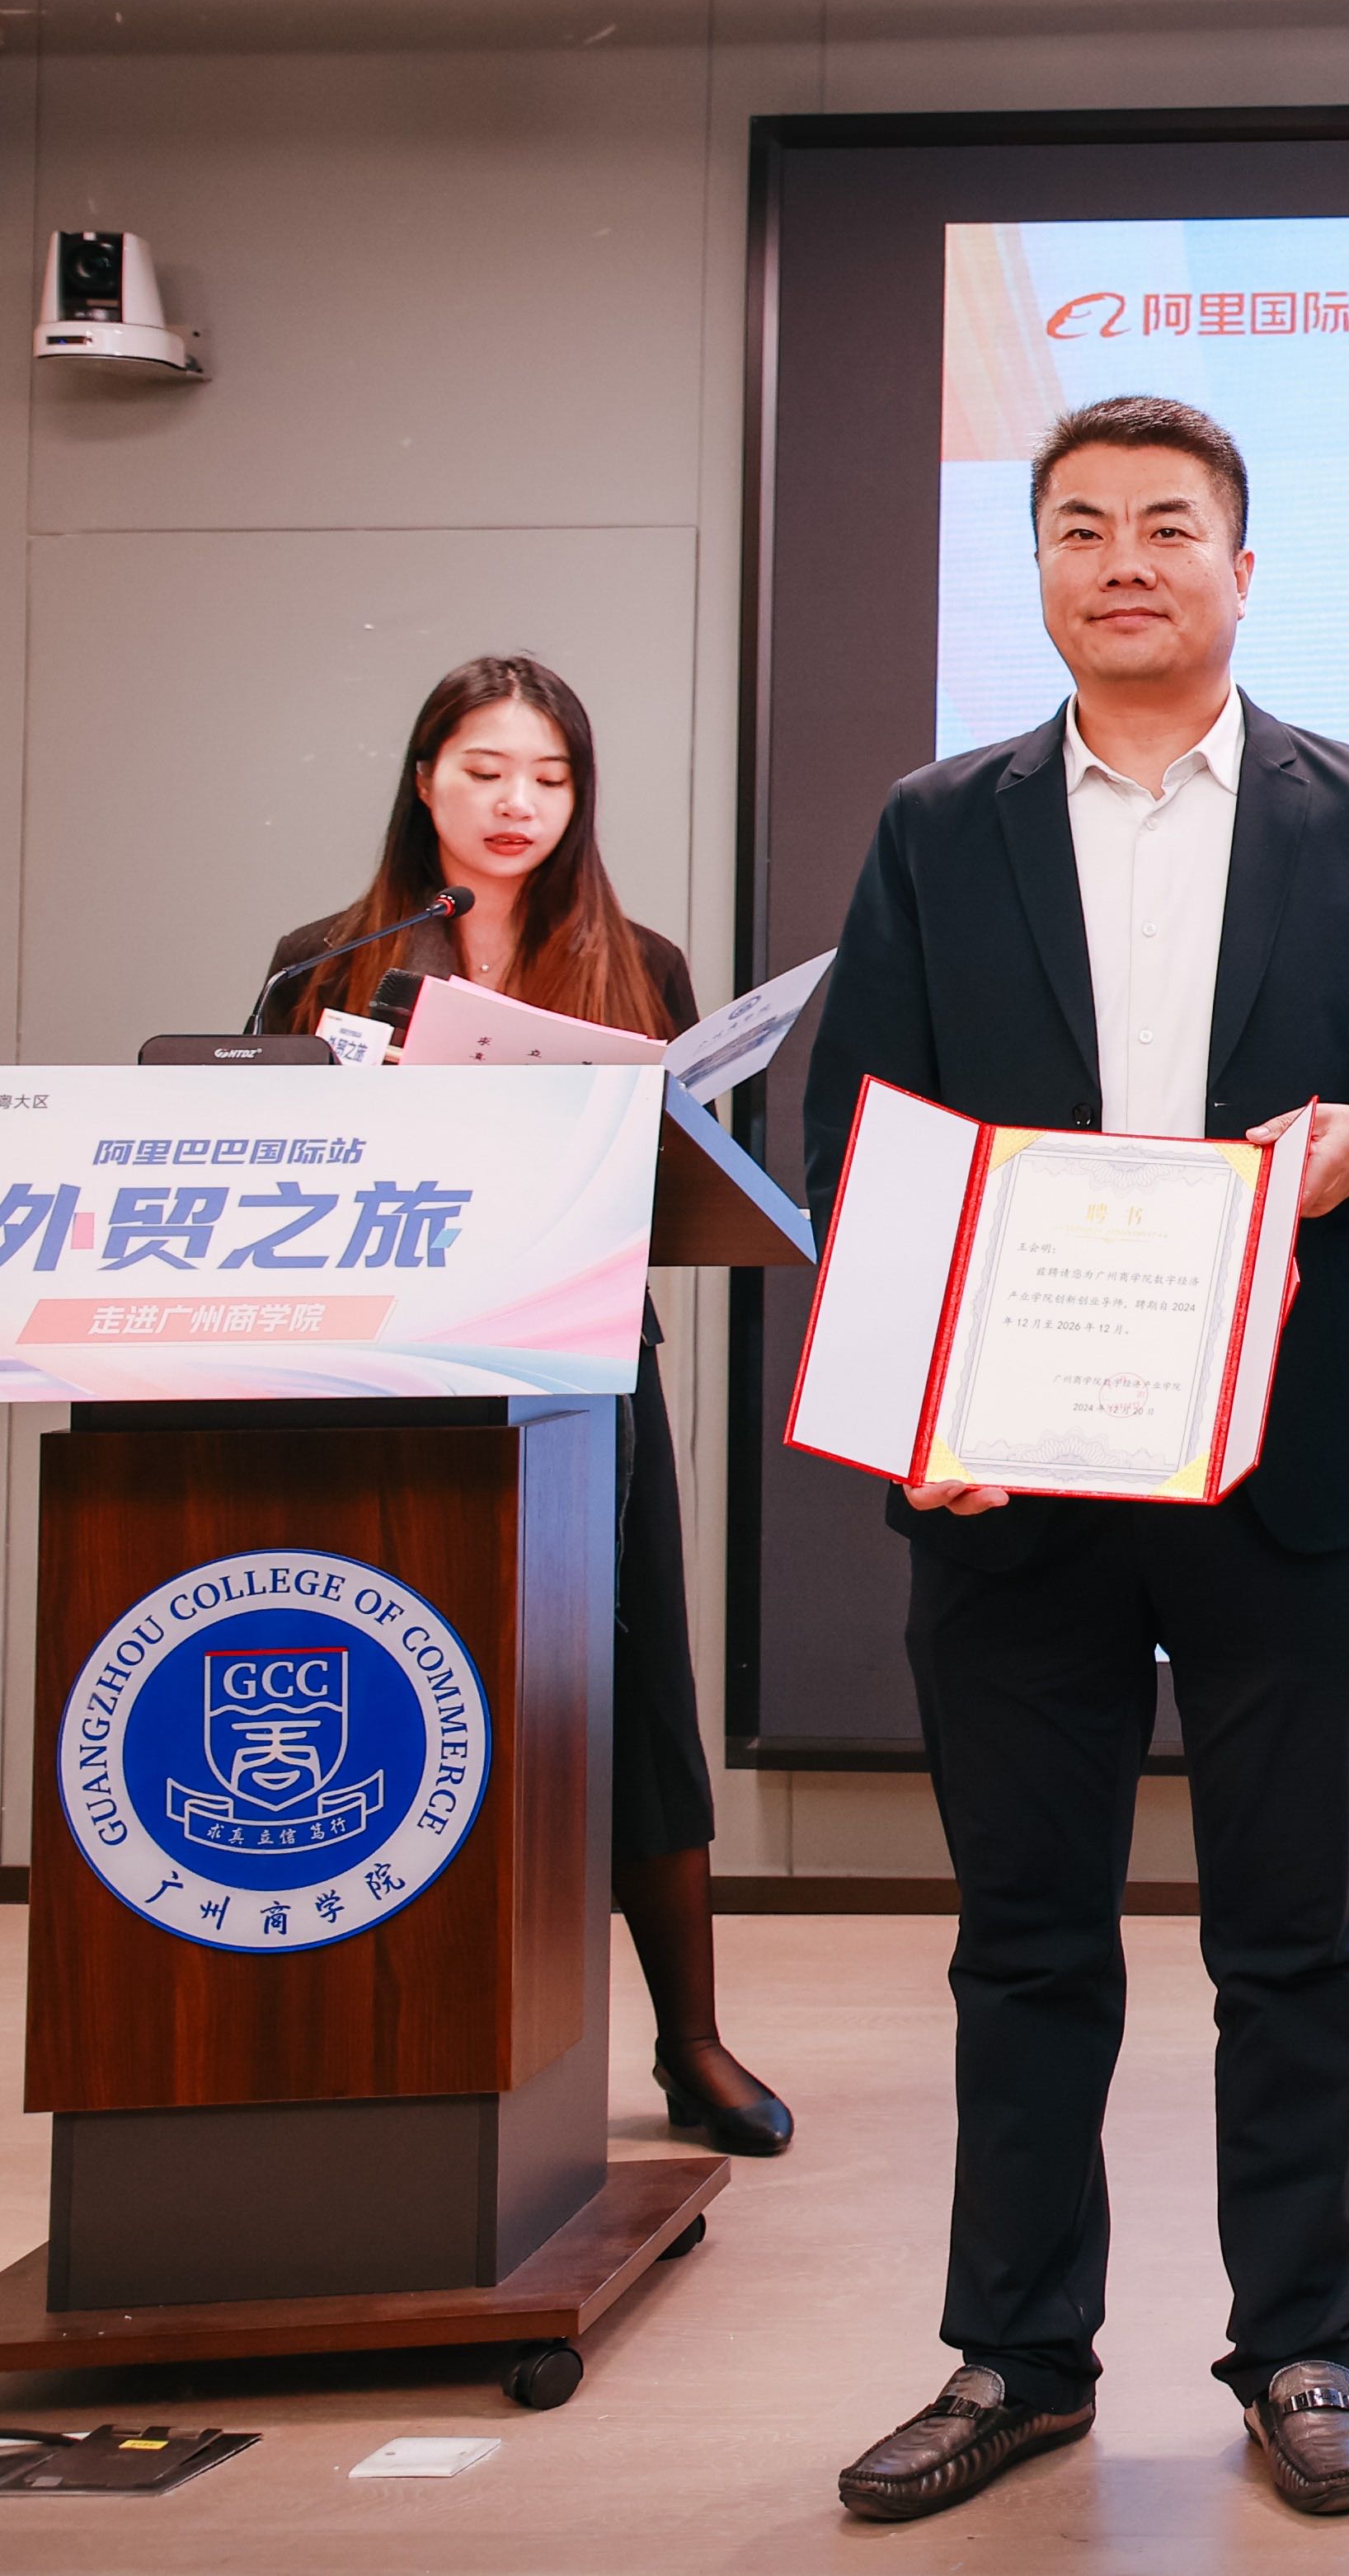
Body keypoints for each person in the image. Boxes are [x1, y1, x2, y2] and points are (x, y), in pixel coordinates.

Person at [799, 396, 1349, 2527]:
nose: (1125, 560)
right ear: (1038, 566)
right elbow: (865, 1132)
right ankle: (1016, 2357)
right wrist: (916, 1408)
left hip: (1281, 1455)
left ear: (1241, 566)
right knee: (1024, 1938)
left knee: (1293, 1937)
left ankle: (1301, 2345)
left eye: (1168, 527)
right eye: (1082, 528)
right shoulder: (940, 825)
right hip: (1010, 1466)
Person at [263, 654, 796, 2161]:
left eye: (550, 778)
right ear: (423, 778)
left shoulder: (640, 962)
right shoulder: (330, 959)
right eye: (485, 770)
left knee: (636, 1696)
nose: (517, 804)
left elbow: (690, 1179)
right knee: (419, 1689)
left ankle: (689, 2041)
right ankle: (400, 2030)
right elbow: (269, 1163)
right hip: (401, 1376)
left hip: (586, 1368)